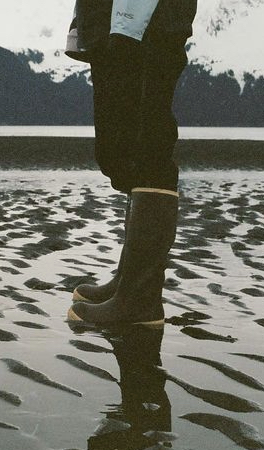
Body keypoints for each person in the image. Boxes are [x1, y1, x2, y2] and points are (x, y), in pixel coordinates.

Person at [64, 0, 197, 327]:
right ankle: (129, 280)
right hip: (110, 20)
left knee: (149, 142)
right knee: (118, 150)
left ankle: (140, 298)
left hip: (151, 18)